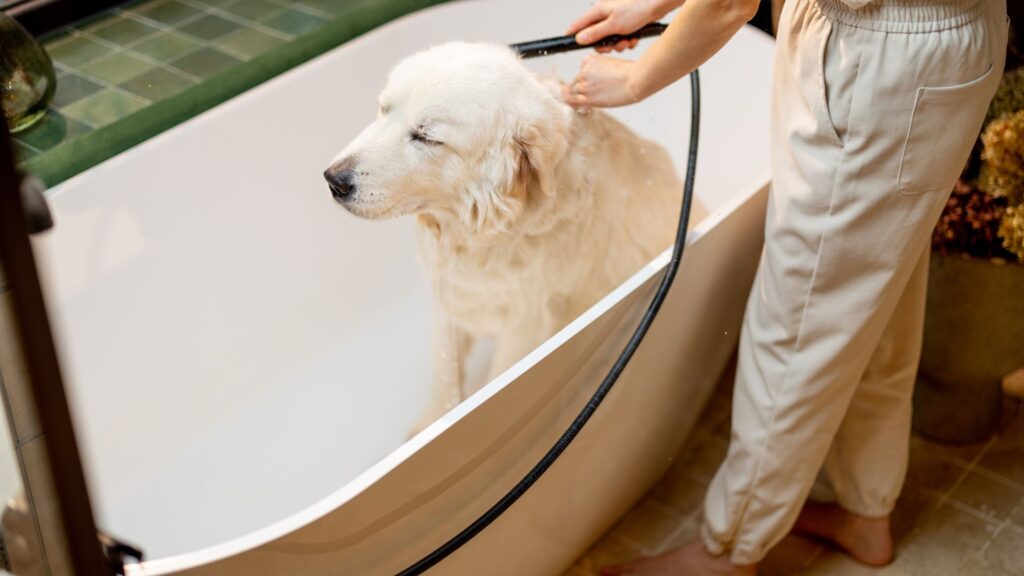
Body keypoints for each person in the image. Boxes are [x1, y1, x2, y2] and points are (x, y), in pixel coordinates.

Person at [562, 0, 1009, 574]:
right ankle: (863, 509)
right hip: (938, 43)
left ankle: (729, 551)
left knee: (799, 320)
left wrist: (637, 78)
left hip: (877, 62)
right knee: (874, 293)